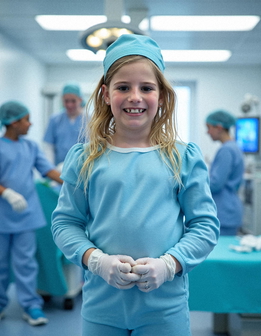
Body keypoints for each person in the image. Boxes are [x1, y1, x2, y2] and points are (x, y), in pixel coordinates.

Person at [52, 34, 220, 336]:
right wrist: (96, 261)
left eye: (146, 88)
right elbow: (65, 223)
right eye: (123, 87)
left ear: (162, 96)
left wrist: (170, 264)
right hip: (102, 307)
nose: (135, 96)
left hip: (164, 309)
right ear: (106, 94)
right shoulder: (85, 158)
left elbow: (205, 226)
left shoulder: (182, 157)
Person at [0, 101, 63, 326]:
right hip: (2, 216)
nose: (30, 123)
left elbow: (48, 171)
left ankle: (31, 306)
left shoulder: (31, 147)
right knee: (1, 265)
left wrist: (73, 183)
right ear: (14, 122)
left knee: (26, 263)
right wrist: (6, 193)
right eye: (26, 119)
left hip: (27, 216)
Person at [206, 109, 245, 236]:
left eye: (209, 128)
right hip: (228, 210)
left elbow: (216, 184)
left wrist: (193, 183)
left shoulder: (226, 150)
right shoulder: (233, 147)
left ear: (219, 127)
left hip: (224, 212)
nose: (208, 132)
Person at [43, 81, 85, 166]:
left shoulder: (89, 119)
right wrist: (51, 168)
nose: (69, 105)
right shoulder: (55, 119)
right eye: (66, 101)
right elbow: (49, 147)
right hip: (59, 167)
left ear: (80, 100)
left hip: (83, 167)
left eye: (73, 101)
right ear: (62, 100)